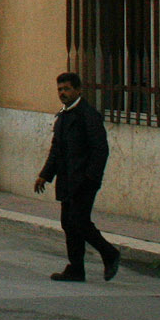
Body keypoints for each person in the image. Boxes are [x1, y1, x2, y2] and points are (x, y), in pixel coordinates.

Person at [33, 71, 121, 282]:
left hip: (84, 181)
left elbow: (100, 150)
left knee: (79, 221)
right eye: (60, 89)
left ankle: (109, 253)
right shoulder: (63, 116)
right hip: (67, 179)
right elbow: (56, 150)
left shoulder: (88, 115)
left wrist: (91, 178)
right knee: (68, 223)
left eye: (67, 89)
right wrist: (44, 175)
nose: (62, 93)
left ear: (78, 90)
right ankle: (76, 268)